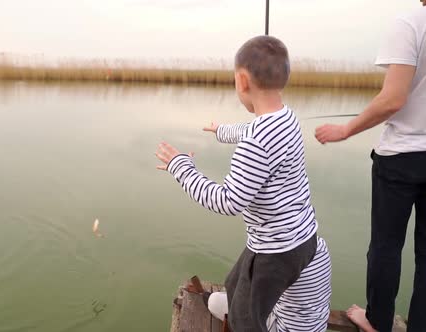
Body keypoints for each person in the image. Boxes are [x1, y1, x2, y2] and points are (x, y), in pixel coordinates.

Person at [155, 36, 332, 332]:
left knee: (245, 321)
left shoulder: (255, 144)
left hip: (274, 251)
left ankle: (246, 316)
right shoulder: (286, 119)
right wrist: (221, 131)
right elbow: (250, 129)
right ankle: (243, 302)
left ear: (241, 81)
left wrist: (181, 167)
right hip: (301, 237)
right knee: (234, 281)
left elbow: (228, 201)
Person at [315, 3, 426, 332]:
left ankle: (377, 321)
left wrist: (345, 129)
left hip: (401, 157)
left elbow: (393, 99)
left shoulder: (410, 23)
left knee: (386, 246)